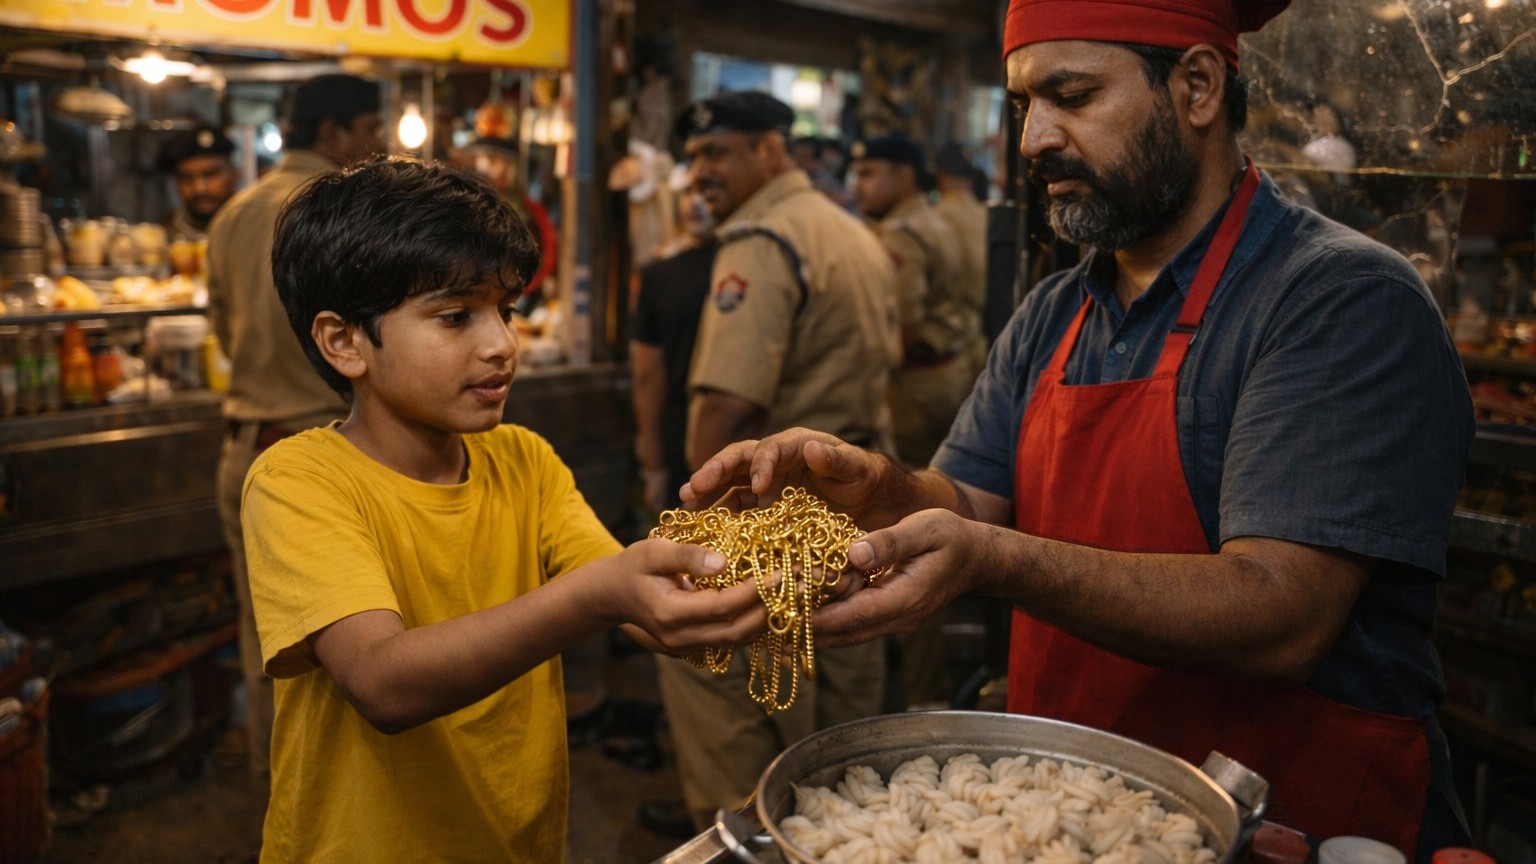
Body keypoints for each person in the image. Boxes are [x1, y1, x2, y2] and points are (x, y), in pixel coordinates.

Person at [682, 0, 1475, 858]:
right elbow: (971, 505)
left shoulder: (1338, 301)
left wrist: (995, 561)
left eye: (1073, 95)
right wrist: (884, 490)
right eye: (1027, 103)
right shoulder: (1058, 311)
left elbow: (1282, 616)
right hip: (1078, 816)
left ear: (1198, 87)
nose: (1034, 140)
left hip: (1293, 820)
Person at [244, 156, 764, 862]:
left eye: (505, 311)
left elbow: (645, 604)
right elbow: (383, 683)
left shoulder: (522, 461)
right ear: (344, 342)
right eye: (456, 316)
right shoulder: (301, 481)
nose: (501, 345)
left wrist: (756, 560)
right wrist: (598, 598)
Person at [654, 90, 901, 834]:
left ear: (771, 150)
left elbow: (728, 404)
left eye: (717, 153)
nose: (700, 173)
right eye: (693, 157)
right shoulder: (844, 228)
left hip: (775, 516)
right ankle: (845, 839)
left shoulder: (763, 240)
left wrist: (695, 529)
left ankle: (739, 840)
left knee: (715, 672)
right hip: (852, 505)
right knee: (843, 710)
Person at [204, 72, 386, 781]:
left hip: (248, 448)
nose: (374, 144)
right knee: (369, 656)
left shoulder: (232, 213)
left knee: (270, 654)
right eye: (369, 128)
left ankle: (281, 823)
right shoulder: (348, 213)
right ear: (334, 133)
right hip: (333, 455)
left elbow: (222, 333)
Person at [849, 133, 975, 470]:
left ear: (904, 176)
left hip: (915, 386)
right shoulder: (931, 218)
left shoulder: (902, 233)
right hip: (946, 371)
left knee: (909, 487)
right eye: (856, 174)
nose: (857, 186)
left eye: (868, 174)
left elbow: (901, 327)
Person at [630, 191, 717, 515]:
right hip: (757, 442)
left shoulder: (659, 276)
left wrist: (653, 468)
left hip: (680, 444)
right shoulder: (757, 269)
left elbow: (647, 377)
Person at [932, 140, 991, 371]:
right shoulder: (986, 215)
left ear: (939, 173)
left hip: (951, 347)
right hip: (981, 342)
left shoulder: (937, 218)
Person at [155, 124, 239, 241]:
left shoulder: (256, 226)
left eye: (210, 175)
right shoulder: (165, 234)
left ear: (234, 174)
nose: (199, 188)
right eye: (185, 178)